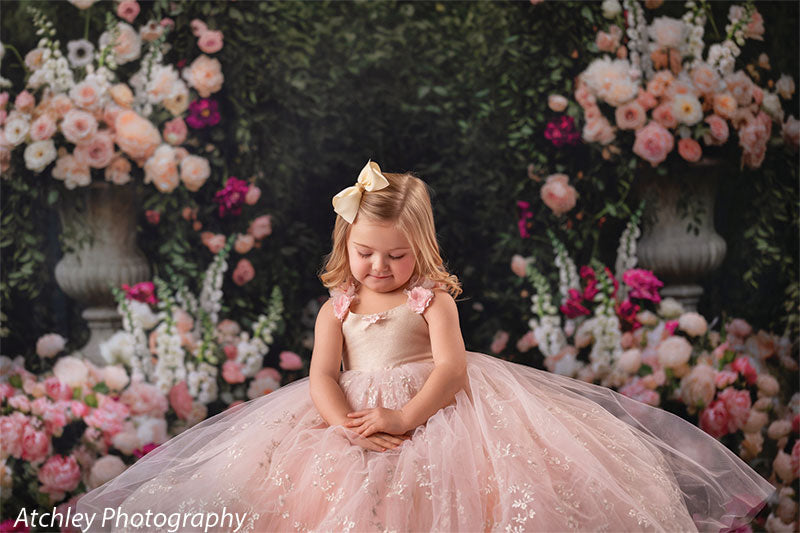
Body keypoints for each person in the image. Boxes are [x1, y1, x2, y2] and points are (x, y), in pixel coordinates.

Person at [78, 161, 774, 532]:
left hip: (435, 413)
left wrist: (406, 418)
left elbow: (453, 368)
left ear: (422, 250)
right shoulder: (338, 305)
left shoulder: (431, 299)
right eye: (366, 253)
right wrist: (341, 419)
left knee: (458, 502)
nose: (379, 269)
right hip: (351, 422)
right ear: (345, 246)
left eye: (397, 256)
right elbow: (324, 374)